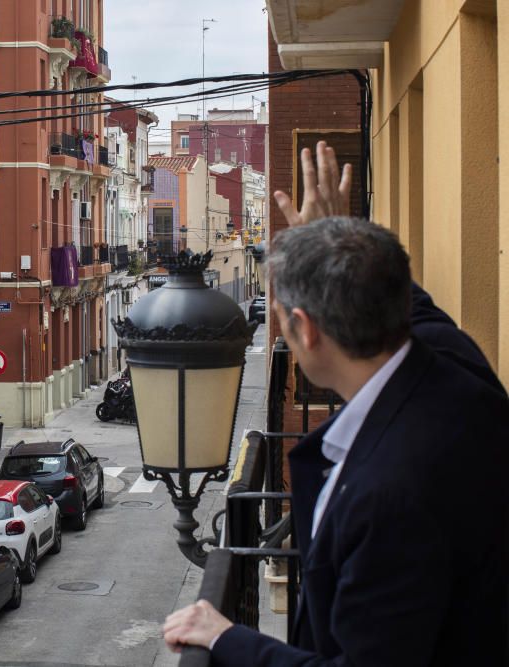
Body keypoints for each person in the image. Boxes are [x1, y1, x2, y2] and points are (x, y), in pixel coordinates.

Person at [163, 141, 508, 665]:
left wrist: (228, 637)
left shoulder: (386, 495)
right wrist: (335, 240)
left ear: (305, 329)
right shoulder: (453, 367)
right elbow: (401, 295)